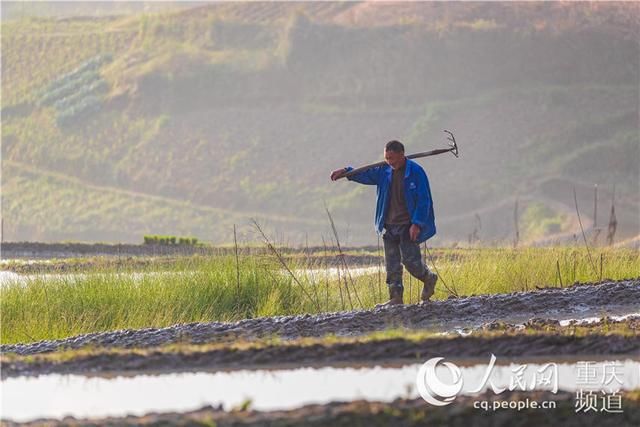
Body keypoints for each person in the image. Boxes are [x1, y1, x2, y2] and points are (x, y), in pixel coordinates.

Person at [330, 140, 438, 306]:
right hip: (388, 225)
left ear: (402, 155)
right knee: (392, 265)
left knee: (411, 262)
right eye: (387, 158)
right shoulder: (383, 170)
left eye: (392, 158)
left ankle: (428, 278)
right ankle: (395, 298)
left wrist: (417, 223)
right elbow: (365, 174)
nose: (390, 161)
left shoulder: (416, 172)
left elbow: (424, 201)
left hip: (407, 225)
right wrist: (346, 172)